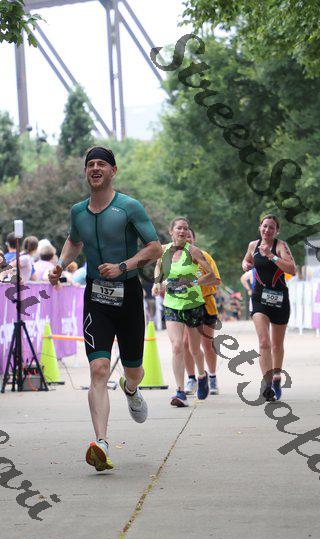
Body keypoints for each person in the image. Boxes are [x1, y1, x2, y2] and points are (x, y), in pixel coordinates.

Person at [49, 146, 162, 472]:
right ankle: (101, 443)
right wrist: (60, 265)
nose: (95, 168)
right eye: (90, 165)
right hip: (95, 298)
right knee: (98, 369)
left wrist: (123, 265)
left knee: (133, 369)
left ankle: (131, 389)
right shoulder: (78, 211)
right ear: (86, 172)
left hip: (127, 296)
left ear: (114, 170)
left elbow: (155, 247)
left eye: (101, 164)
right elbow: (75, 241)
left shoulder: (129, 207)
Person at [152, 217, 217, 407]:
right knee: (177, 346)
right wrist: (157, 284)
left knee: (194, 349)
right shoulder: (163, 250)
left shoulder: (194, 251)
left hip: (193, 305)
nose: (183, 232)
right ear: (171, 231)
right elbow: (158, 267)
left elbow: (211, 275)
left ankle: (202, 376)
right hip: (172, 304)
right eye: (179, 228)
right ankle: (180, 392)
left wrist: (193, 282)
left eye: (185, 229)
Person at [242, 214, 296, 401]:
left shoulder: (280, 246)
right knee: (264, 342)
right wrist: (245, 264)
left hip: (279, 299)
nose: (267, 230)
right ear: (260, 227)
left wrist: (271, 256)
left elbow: (292, 269)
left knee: (276, 345)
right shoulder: (253, 245)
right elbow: (247, 260)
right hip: (259, 298)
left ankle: (276, 377)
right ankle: (267, 385)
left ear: (277, 231)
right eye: (265, 226)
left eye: (272, 227)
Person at [182, 227, 222, 400]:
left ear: (194, 239)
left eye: (189, 237)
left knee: (207, 343)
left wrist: (197, 284)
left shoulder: (204, 257)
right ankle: (192, 378)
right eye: (184, 237)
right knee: (186, 343)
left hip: (206, 304)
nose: (187, 239)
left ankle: (212, 377)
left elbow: (216, 280)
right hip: (186, 305)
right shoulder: (176, 260)